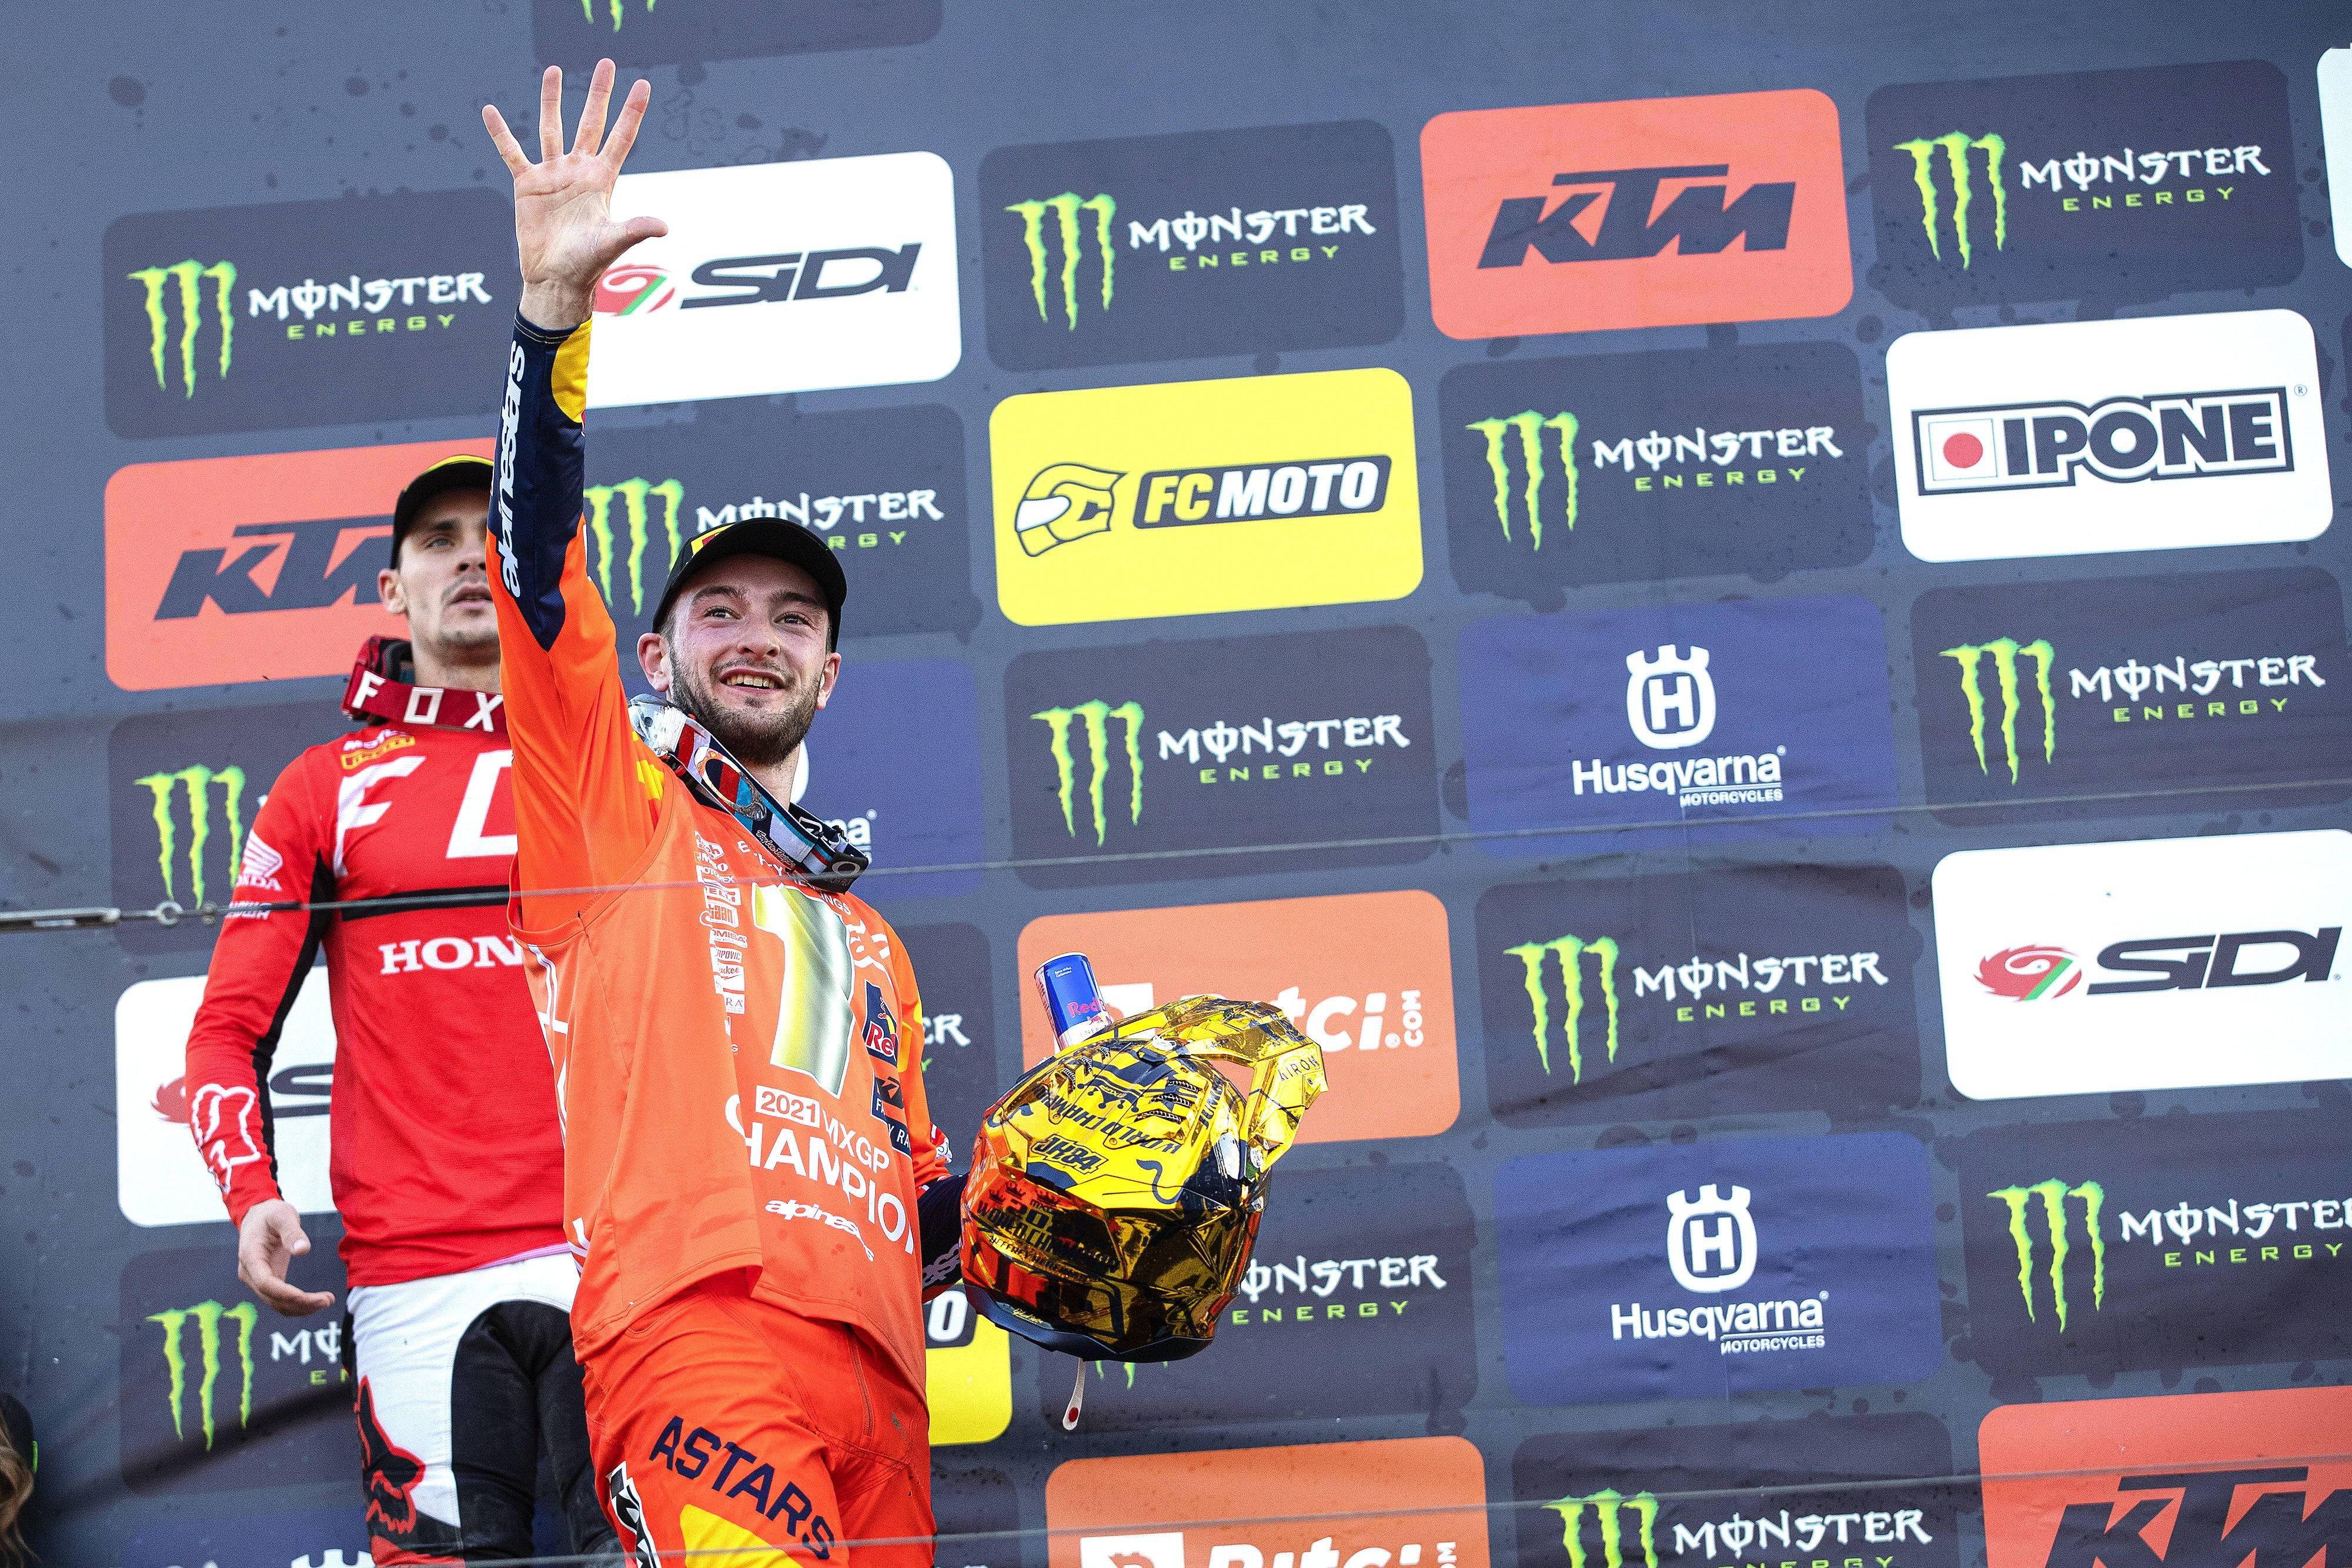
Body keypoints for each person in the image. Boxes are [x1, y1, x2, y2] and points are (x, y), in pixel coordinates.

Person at [478, 61, 964, 1568]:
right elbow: (535, 572)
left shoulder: (871, 939)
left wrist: (1074, 1217)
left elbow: (925, 1208)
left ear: (831, 670)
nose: (757, 636)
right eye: (719, 610)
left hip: (885, 1388)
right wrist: (550, 321)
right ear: (656, 653)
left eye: (793, 617)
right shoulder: (610, 807)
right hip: (701, 1337)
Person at [180, 456, 620, 1566]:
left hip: (619, 1245)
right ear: (391, 588)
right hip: (416, 1270)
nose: (470, 557)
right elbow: (226, 1032)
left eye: (492, 536)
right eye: (438, 540)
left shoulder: (617, 760)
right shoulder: (321, 786)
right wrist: (250, 1192)